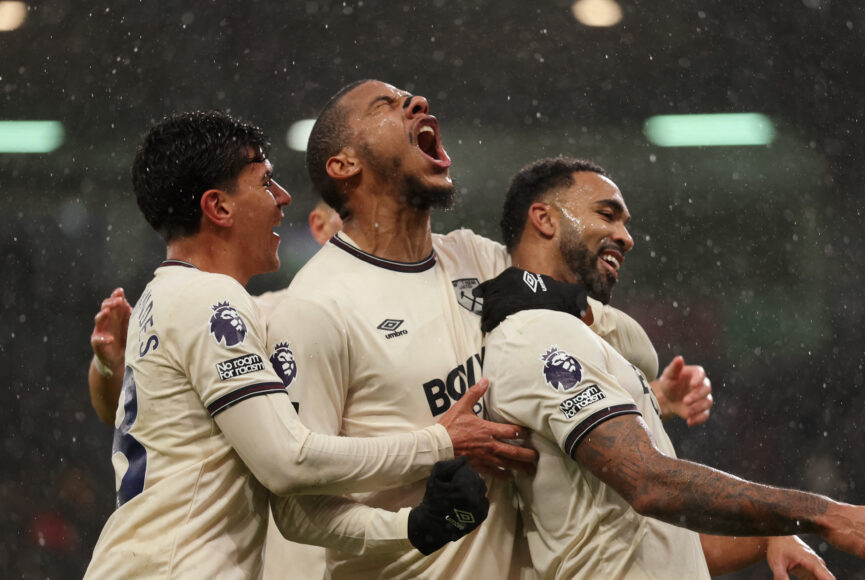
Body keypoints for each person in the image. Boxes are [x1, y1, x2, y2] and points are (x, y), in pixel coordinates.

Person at [266, 79, 713, 578]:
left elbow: (639, 354)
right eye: (385, 105)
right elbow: (297, 507)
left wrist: (572, 306)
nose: (418, 102)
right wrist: (418, 522)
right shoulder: (315, 307)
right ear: (344, 165)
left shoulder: (477, 259)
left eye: (410, 97)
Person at [84, 110, 520, 578]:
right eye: (266, 183)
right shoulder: (211, 300)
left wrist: (413, 525)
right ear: (219, 207)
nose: (283, 198)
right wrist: (439, 442)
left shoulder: (166, 295)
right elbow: (288, 461)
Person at [476, 157, 865, 579]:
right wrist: (824, 513)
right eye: (607, 214)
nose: (626, 236)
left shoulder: (570, 334)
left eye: (625, 222)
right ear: (544, 219)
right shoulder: (535, 334)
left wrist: (768, 533)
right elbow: (650, 483)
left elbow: (653, 537)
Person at [87, 200, 344, 426]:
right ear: (321, 227)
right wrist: (110, 366)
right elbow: (120, 412)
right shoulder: (247, 316)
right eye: (350, 216)